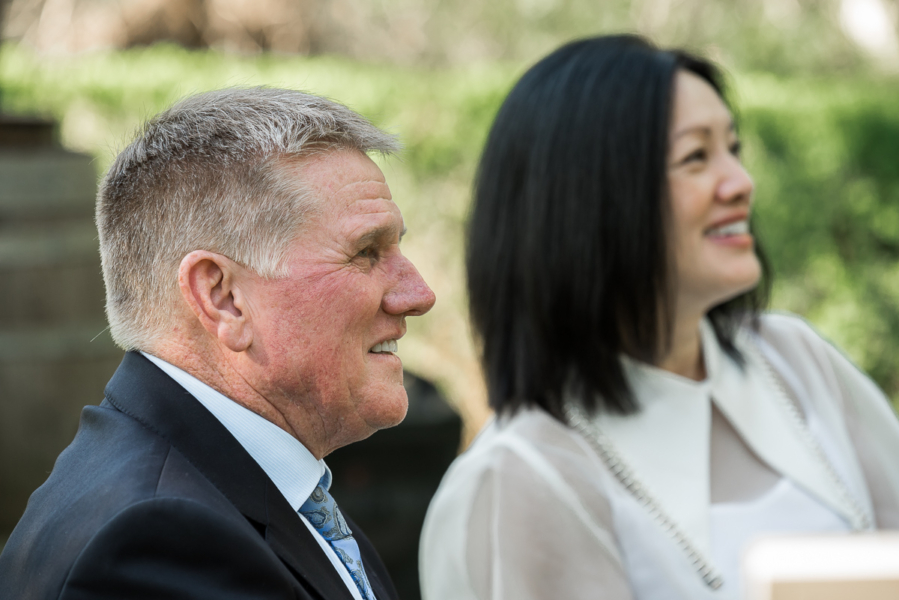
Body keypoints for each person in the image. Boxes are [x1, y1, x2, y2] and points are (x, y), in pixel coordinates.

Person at [419, 35, 899, 600]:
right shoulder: (519, 479)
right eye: (696, 157)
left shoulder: (797, 361)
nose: (740, 183)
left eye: (733, 148)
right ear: (588, 198)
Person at [0, 87, 435, 599]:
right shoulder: (159, 541)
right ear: (223, 297)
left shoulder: (234, 493)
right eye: (366, 251)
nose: (418, 294)